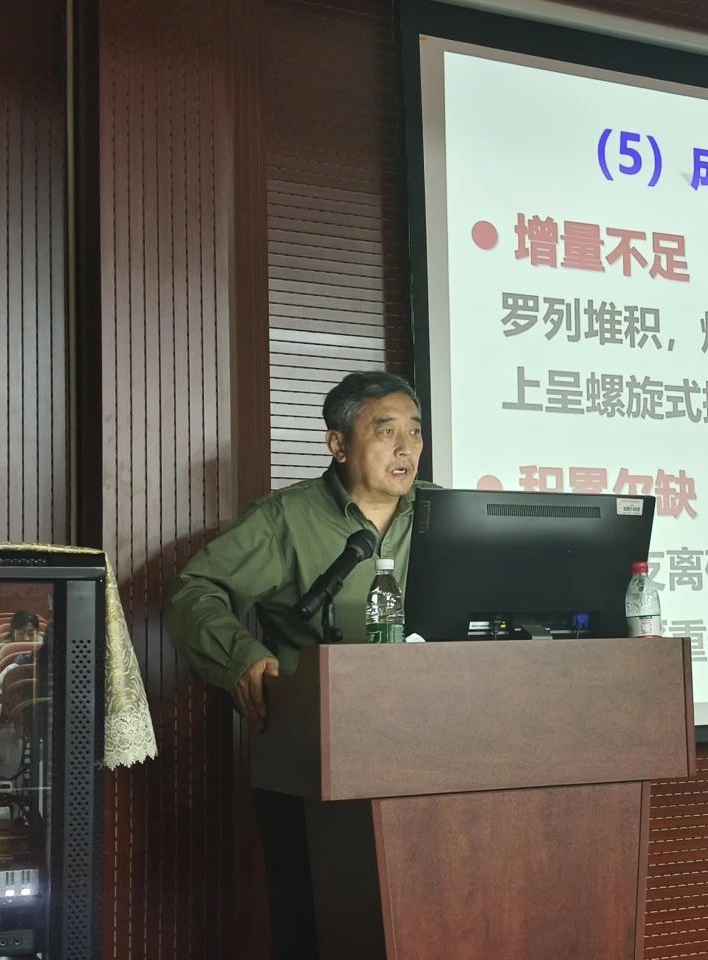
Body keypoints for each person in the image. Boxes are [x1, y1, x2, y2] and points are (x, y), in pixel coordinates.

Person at [165, 370, 438, 960]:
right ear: (337, 444)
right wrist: (241, 656)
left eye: (415, 432)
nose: (406, 448)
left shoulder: (443, 512)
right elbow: (193, 592)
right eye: (386, 431)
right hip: (310, 752)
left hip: (429, 746)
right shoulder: (288, 519)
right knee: (317, 925)